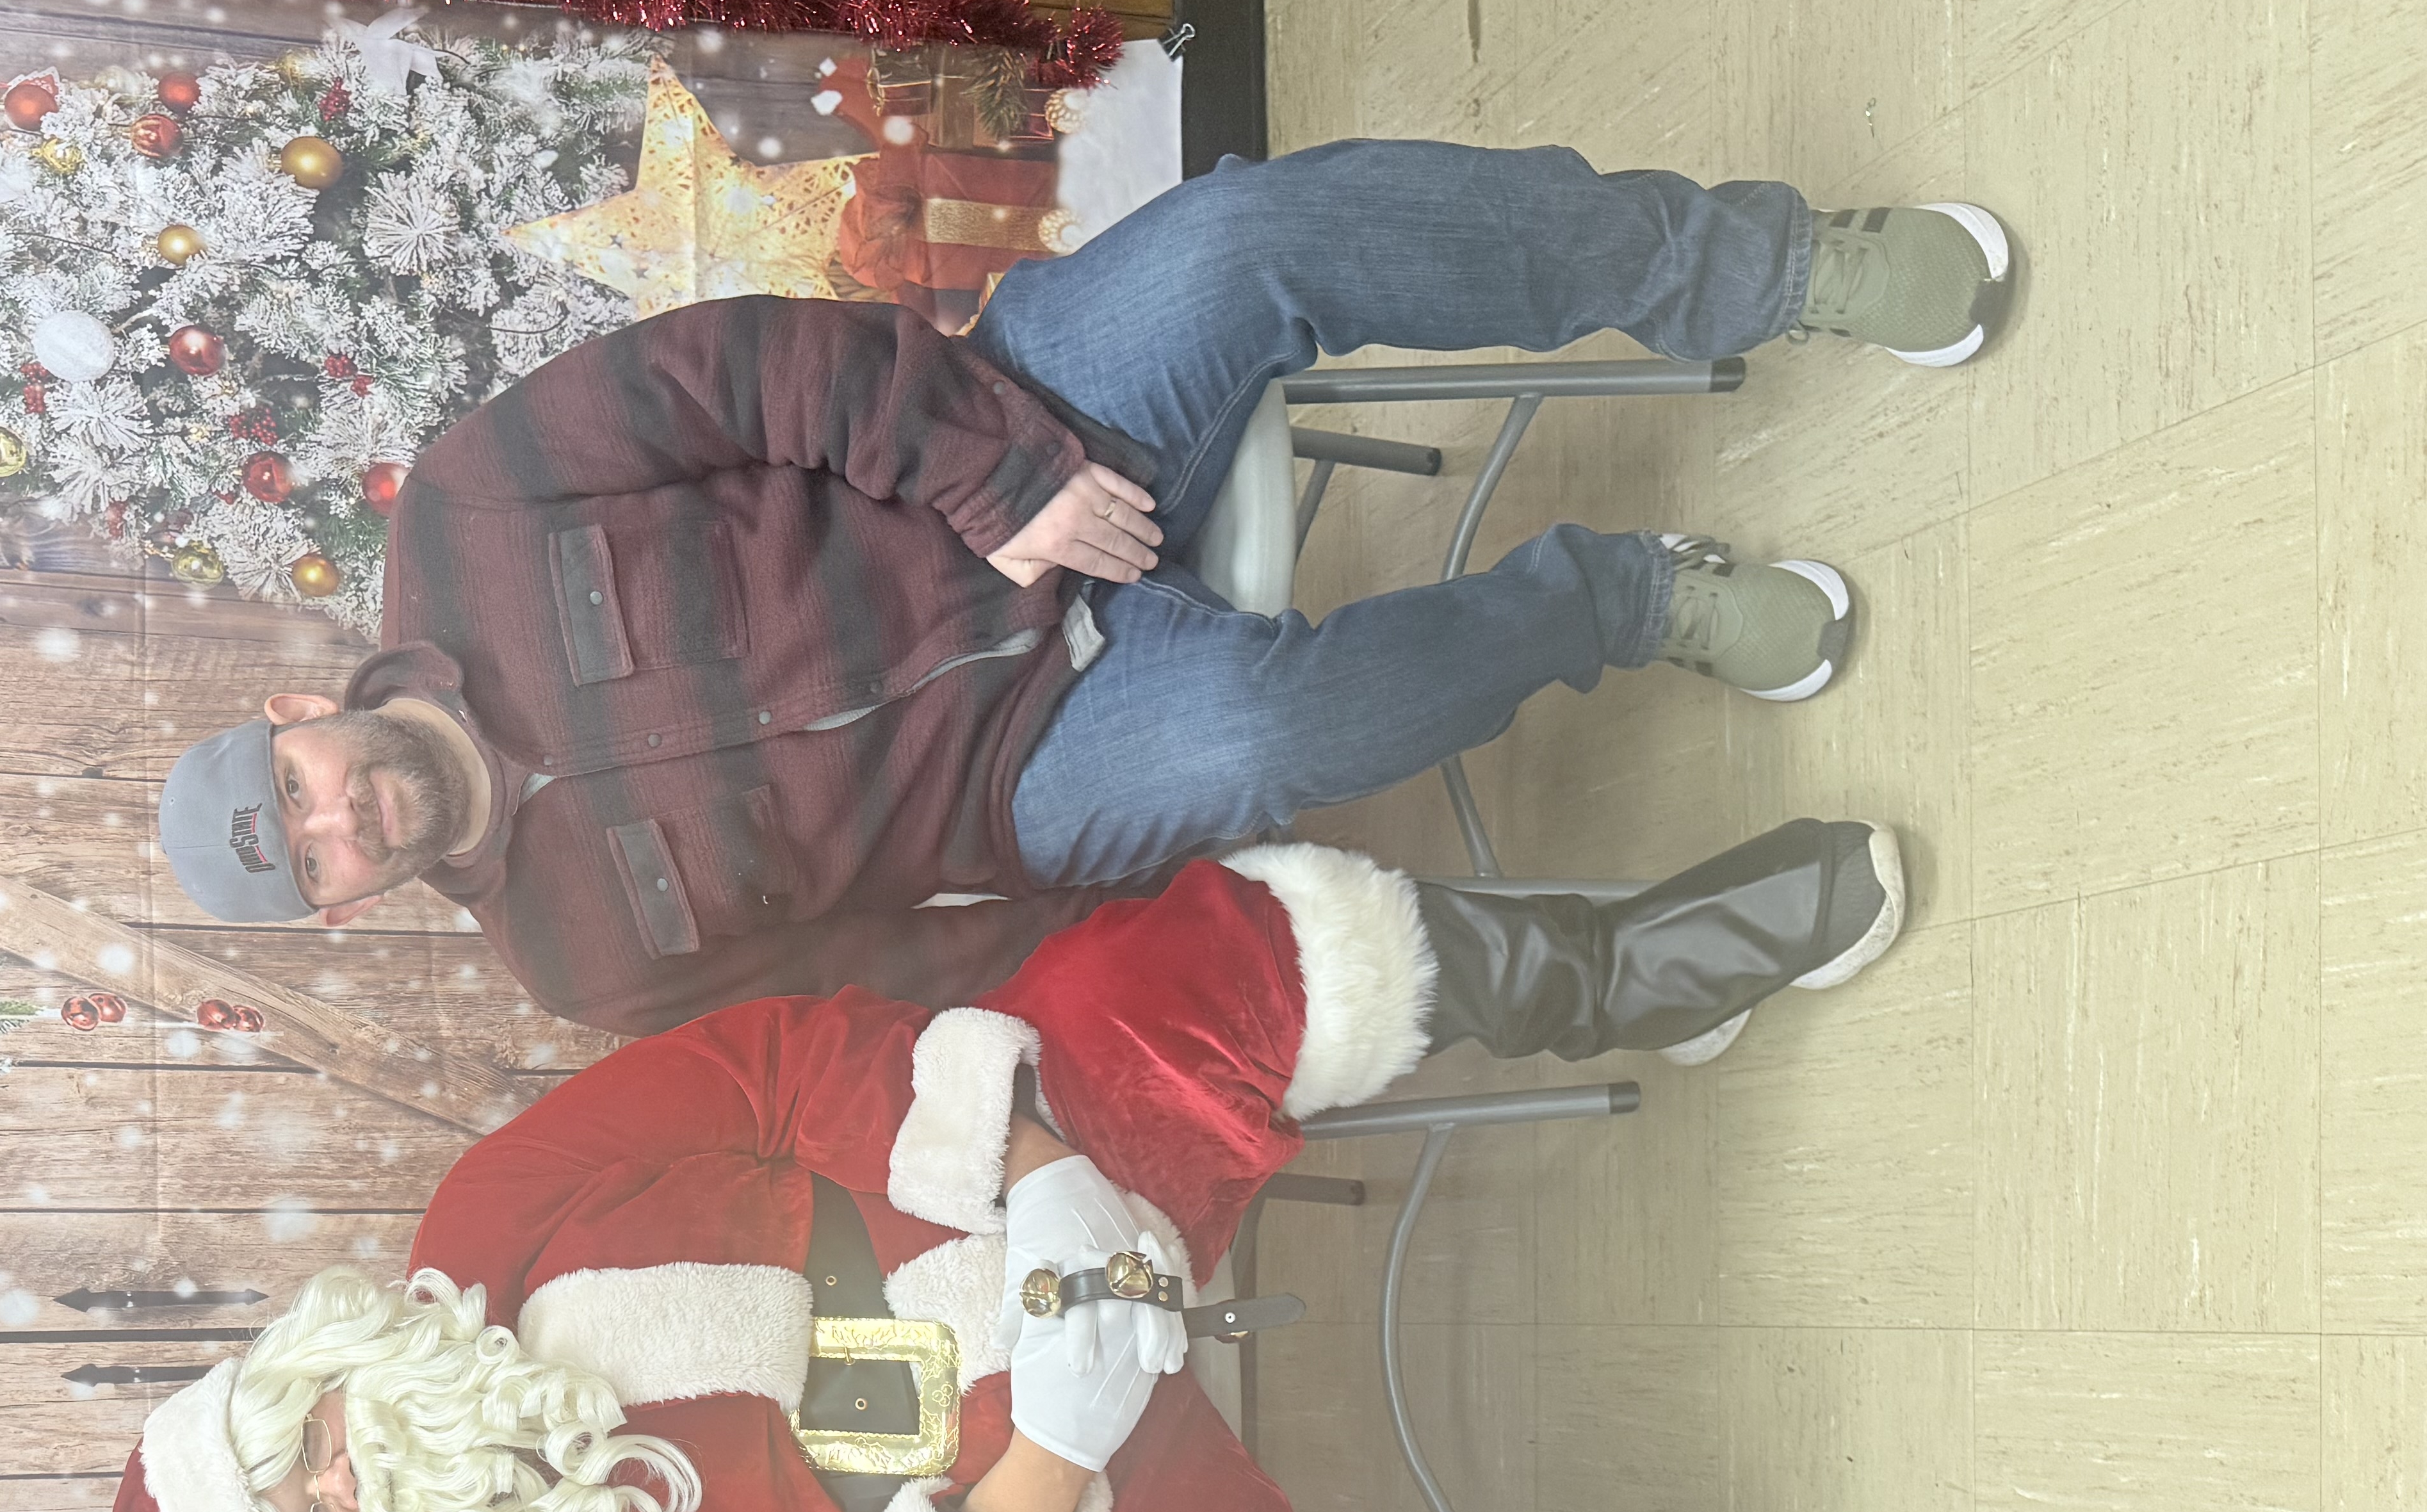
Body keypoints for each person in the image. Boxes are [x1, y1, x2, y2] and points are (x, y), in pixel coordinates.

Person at [104, 825, 1973, 1512]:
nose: (354, 1474)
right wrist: (1048, 1459)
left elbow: (767, 1071)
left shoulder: (485, 1221)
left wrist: (1039, 1166)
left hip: (982, 1192)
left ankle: (1616, 970)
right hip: (1014, 1493)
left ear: (311, 1371)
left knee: (1172, 983)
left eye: (307, 1443)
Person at [149, 140, 2018, 1034]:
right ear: (340, 903)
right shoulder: (578, 962)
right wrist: (1120, 939)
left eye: (294, 791)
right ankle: (1624, 602)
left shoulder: (469, 507)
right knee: (1262, 729)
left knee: (1250, 240)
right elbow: (886, 970)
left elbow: (748, 370)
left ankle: (1757, 271)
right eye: (309, 860)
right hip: (1033, 757)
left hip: (1016, 426)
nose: (342, 821)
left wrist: (1004, 476)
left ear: (299, 717)